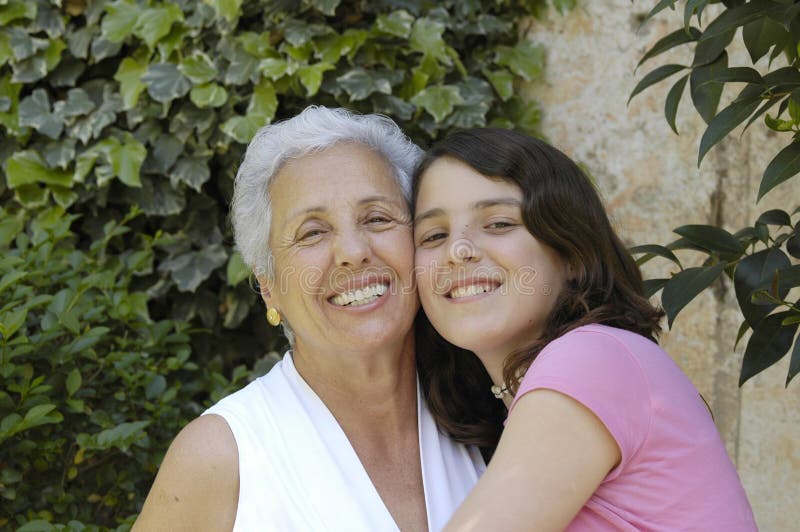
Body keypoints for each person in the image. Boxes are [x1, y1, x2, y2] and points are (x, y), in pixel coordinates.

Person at [134, 107, 485, 531]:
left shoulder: (487, 408)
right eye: (312, 232)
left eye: (377, 218)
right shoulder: (222, 456)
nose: (353, 251)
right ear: (269, 287)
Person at [412, 128, 757, 531]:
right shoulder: (535, 398)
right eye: (434, 235)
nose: (458, 250)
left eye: (499, 223)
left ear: (572, 254)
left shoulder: (591, 358)